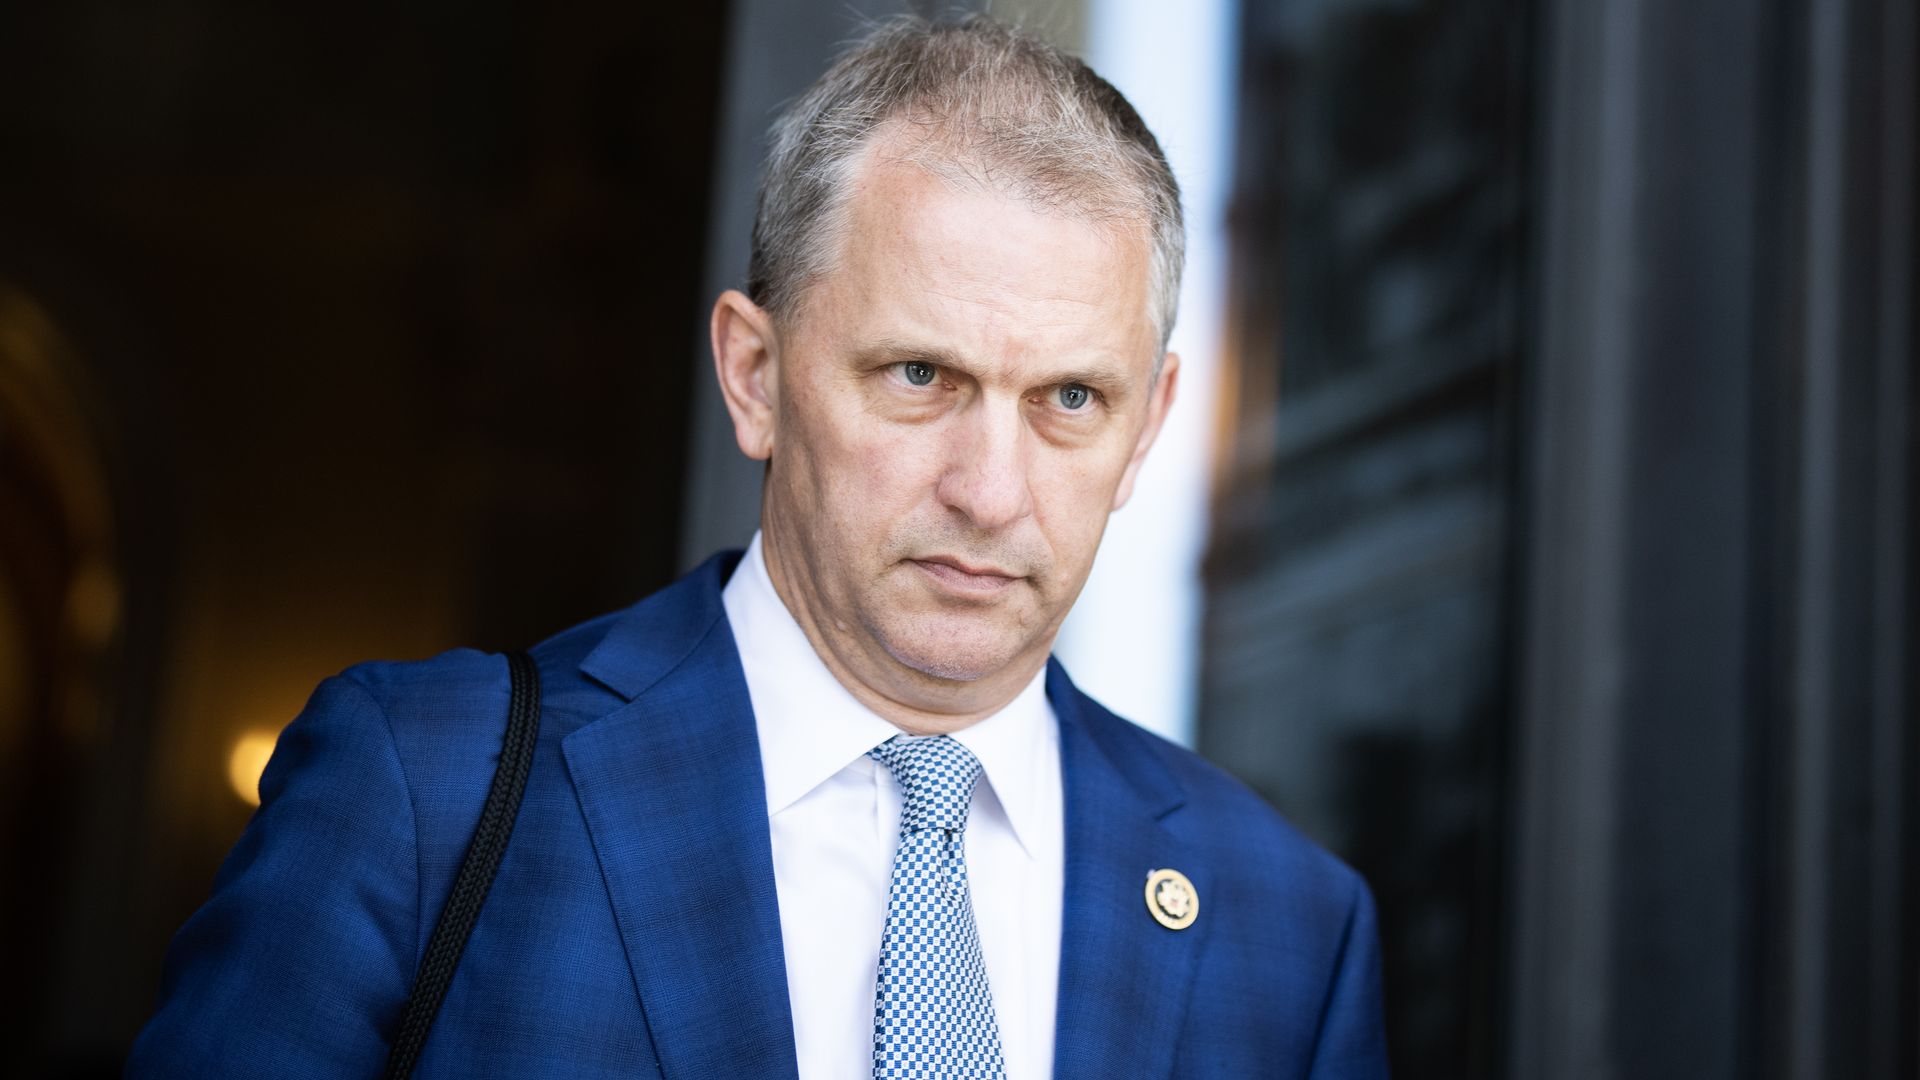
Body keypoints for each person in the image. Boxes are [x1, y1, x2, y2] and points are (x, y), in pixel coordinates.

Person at [129, 16, 1388, 1079]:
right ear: (754, 375)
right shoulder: (422, 796)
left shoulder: (1286, 926)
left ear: (1150, 424)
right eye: (919, 374)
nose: (993, 492)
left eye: (1071, 400)